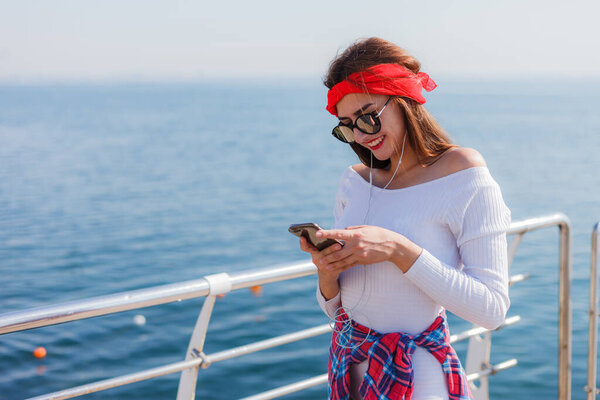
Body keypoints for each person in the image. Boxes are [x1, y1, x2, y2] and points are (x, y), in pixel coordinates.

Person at [298, 37, 511, 400]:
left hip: (420, 379)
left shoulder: (464, 173)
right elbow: (336, 310)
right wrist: (327, 271)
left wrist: (398, 249)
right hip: (349, 372)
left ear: (402, 99)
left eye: (368, 117)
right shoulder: (354, 181)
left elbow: (491, 310)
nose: (362, 136)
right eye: (348, 126)